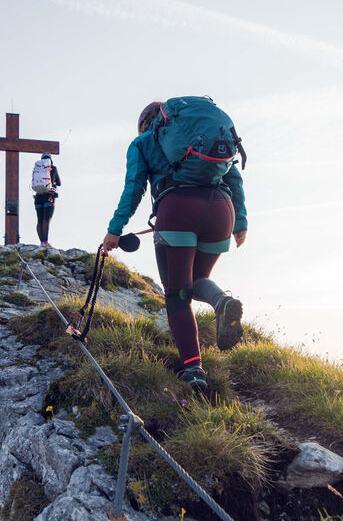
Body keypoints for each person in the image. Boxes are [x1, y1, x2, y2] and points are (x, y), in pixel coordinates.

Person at [102, 101, 248, 389]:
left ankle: (194, 370)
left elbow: (134, 188)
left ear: (148, 124)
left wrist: (115, 230)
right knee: (196, 280)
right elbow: (234, 176)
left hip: (178, 210)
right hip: (222, 211)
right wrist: (240, 221)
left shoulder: (143, 142)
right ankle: (222, 302)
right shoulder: (201, 140)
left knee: (177, 292)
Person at [31, 153, 61, 246]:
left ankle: (42, 242)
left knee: (39, 220)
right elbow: (59, 183)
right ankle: (45, 242)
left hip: (38, 196)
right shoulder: (53, 168)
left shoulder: (37, 168)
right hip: (49, 196)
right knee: (46, 219)